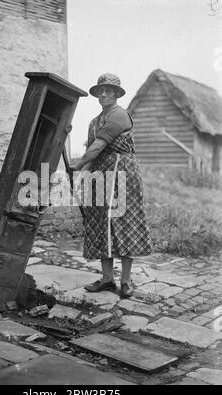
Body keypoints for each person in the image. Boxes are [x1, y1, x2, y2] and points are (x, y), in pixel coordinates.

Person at [70, 73, 152, 298]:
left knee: (125, 223)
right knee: (99, 224)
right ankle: (107, 279)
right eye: (100, 91)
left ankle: (125, 281)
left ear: (117, 94)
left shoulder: (120, 115)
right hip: (101, 174)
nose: (104, 94)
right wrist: (81, 178)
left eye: (109, 91)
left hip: (123, 173)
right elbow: (94, 156)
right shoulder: (94, 122)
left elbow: (96, 148)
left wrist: (77, 165)